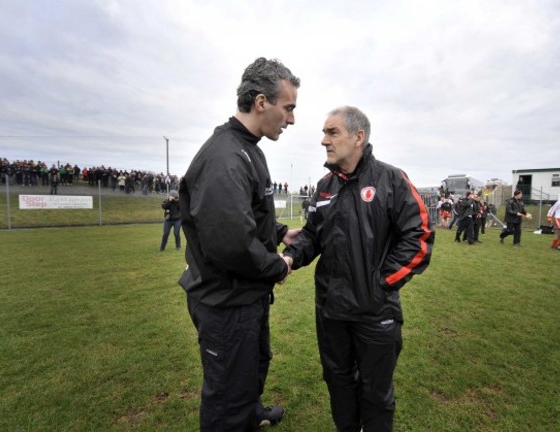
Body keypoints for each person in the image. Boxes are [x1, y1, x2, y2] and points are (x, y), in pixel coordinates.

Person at [282, 106, 434, 432]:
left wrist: (381, 283)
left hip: (375, 312)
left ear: (358, 137)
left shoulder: (390, 179)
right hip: (331, 311)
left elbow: (419, 236)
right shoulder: (324, 187)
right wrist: (290, 257)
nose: (324, 140)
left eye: (332, 132)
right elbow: (312, 235)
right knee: (338, 384)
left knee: (376, 393)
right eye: (324, 132)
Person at [177, 57, 301, 431]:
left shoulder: (249, 148)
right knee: (227, 391)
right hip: (224, 301)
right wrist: (278, 266)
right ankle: (238, 415)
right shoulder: (226, 157)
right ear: (261, 102)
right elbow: (230, 242)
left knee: (252, 366)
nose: (292, 119)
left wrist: (279, 232)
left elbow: (246, 213)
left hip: (244, 296)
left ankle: (251, 411)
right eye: (288, 108)